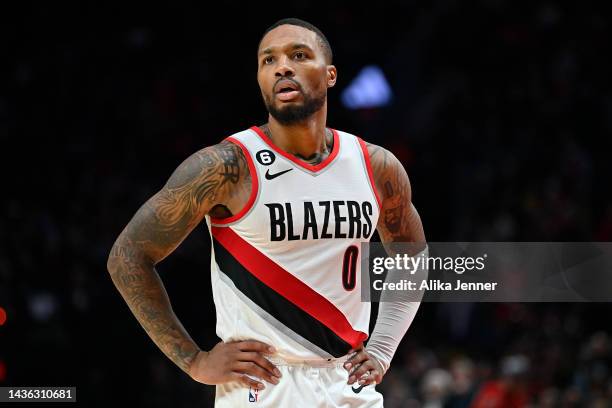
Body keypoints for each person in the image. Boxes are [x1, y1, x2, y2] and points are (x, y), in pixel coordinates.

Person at [107, 17, 426, 407]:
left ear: (330, 75)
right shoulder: (225, 166)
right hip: (263, 385)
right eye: (268, 60)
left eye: (298, 55)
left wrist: (383, 347)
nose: (282, 67)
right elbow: (127, 257)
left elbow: (412, 258)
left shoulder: (376, 166)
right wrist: (193, 360)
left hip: (347, 385)